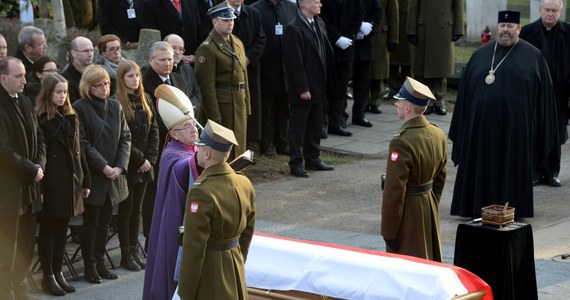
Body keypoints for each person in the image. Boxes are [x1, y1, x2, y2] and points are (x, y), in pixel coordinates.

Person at [449, 11, 558, 218]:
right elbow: (464, 96)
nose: (505, 30)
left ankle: (512, 208)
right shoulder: (480, 54)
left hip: (515, 131)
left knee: (511, 168)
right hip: (480, 130)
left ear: (519, 29)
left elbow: (544, 99)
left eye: (510, 26)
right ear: (497, 27)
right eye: (502, 25)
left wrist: (543, 131)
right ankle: (475, 207)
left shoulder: (533, 57)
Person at [177, 120, 256, 300]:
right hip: (234, 264)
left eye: (199, 147)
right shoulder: (244, 183)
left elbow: (194, 247)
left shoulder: (201, 191)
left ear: (206, 153)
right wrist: (237, 260)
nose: (195, 150)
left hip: (210, 273)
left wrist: (186, 292)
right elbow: (247, 232)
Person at [72, 64, 131, 284]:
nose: (104, 88)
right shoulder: (79, 107)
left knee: (106, 223)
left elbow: (126, 137)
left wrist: (120, 166)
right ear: (88, 86)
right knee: (91, 224)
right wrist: (104, 166)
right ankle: (90, 265)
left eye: (106, 83)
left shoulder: (115, 106)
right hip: (94, 175)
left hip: (114, 175)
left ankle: (100, 262)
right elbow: (83, 142)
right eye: (98, 85)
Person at [35, 74, 91, 296]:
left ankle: (58, 273)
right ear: (48, 93)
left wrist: (85, 178)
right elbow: (39, 154)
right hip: (51, 182)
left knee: (62, 229)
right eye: (58, 92)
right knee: (49, 229)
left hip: (71, 180)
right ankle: (48, 276)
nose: (62, 96)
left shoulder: (71, 117)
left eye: (65, 92)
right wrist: (39, 188)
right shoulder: (41, 119)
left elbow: (80, 151)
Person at [144, 85, 201, 300]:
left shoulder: (193, 147)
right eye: (187, 127)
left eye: (193, 125)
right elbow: (183, 167)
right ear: (174, 133)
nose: (194, 130)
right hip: (176, 217)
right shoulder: (172, 153)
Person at [380, 76, 447, 262]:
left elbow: (394, 191)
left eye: (399, 102)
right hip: (428, 205)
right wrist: (431, 203)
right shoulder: (438, 134)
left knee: (407, 265)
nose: (396, 105)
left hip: (409, 211)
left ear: (408, 108)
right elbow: (440, 177)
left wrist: (388, 231)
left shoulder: (401, 141)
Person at [0, 56, 46, 300]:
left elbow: (39, 137)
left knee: (28, 244)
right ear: (3, 78)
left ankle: (19, 285)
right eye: (18, 76)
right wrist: (31, 169)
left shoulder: (27, 102)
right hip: (8, 188)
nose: (24, 81)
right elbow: (3, 149)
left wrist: (39, 164)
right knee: (8, 244)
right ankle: (5, 289)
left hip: (30, 185)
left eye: (24, 75)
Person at [142, 41, 188, 250]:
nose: (167, 63)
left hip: (180, 145)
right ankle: (152, 238)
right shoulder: (145, 83)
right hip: (158, 145)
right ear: (151, 61)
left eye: (170, 59)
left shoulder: (177, 79)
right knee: (154, 194)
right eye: (162, 60)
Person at [114, 60, 159, 271]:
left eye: (138, 75)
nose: (135, 79)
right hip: (129, 163)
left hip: (145, 164)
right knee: (127, 209)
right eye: (130, 76)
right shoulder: (117, 102)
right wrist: (140, 159)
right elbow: (122, 138)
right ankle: (125, 252)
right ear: (122, 79)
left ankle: (134, 248)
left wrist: (150, 159)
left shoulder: (146, 98)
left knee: (137, 210)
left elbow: (155, 131)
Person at [283, 0, 336, 178]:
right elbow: (294, 62)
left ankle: (313, 158)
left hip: (319, 85)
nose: (321, 4)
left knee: (315, 123)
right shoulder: (293, 28)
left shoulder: (318, 23)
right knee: (298, 127)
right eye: (316, 1)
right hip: (304, 88)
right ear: (305, 4)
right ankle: (296, 162)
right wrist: (302, 88)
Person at [520, 0, 570, 187]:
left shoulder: (568, 32)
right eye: (547, 10)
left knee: (556, 132)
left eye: (554, 11)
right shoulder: (527, 32)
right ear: (540, 10)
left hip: (559, 91)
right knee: (534, 131)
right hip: (534, 90)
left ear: (560, 12)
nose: (550, 14)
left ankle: (552, 173)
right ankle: (534, 172)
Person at [195, 3, 250, 161]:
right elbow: (207, 88)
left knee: (239, 147)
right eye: (225, 20)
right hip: (223, 105)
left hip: (239, 102)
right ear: (214, 22)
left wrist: (247, 104)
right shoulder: (207, 49)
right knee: (225, 149)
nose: (230, 23)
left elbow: (244, 77)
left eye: (231, 20)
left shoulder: (237, 42)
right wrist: (215, 117)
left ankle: (238, 176)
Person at [251, 0, 297, 156]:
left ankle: (282, 143)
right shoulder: (256, 9)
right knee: (267, 109)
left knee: (285, 109)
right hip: (266, 68)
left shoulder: (291, 7)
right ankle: (267, 145)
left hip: (287, 68)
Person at [406, 0, 464, 115]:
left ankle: (439, 101)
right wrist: (411, 30)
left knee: (441, 68)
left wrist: (458, 29)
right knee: (422, 71)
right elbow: (413, 6)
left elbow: (458, 7)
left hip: (444, 30)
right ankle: (424, 101)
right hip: (423, 30)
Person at [226, 0, 267, 147]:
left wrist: (248, 58)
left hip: (249, 68)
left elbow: (261, 39)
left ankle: (247, 144)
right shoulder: (219, 12)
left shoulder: (254, 14)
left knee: (249, 106)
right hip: (226, 70)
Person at [320, 0, 362, 136]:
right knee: (324, 86)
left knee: (341, 88)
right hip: (328, 45)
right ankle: (321, 123)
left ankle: (336, 122)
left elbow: (358, 18)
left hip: (347, 47)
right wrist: (336, 37)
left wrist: (348, 37)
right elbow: (323, 18)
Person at [350, 0, 381, 125]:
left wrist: (369, 28)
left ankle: (359, 113)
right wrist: (356, 27)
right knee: (343, 82)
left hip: (365, 42)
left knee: (363, 82)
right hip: (347, 39)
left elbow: (377, 12)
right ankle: (340, 115)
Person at [369, 0, 398, 114]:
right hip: (363, 33)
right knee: (364, 71)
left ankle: (375, 100)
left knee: (378, 72)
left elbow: (393, 15)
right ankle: (364, 101)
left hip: (380, 35)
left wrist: (393, 38)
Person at [164, 34, 202, 110]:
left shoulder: (188, 70)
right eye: (173, 48)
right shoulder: (156, 68)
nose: (177, 52)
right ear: (164, 47)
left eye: (181, 49)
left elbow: (197, 94)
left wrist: (188, 108)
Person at [386, 0, 413, 100]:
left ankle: (406, 90)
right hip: (392, 21)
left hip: (407, 23)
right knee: (392, 59)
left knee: (408, 59)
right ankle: (393, 88)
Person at [62, 36, 95, 102]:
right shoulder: (66, 80)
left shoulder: (98, 74)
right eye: (86, 51)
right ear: (74, 53)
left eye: (92, 50)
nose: (90, 54)